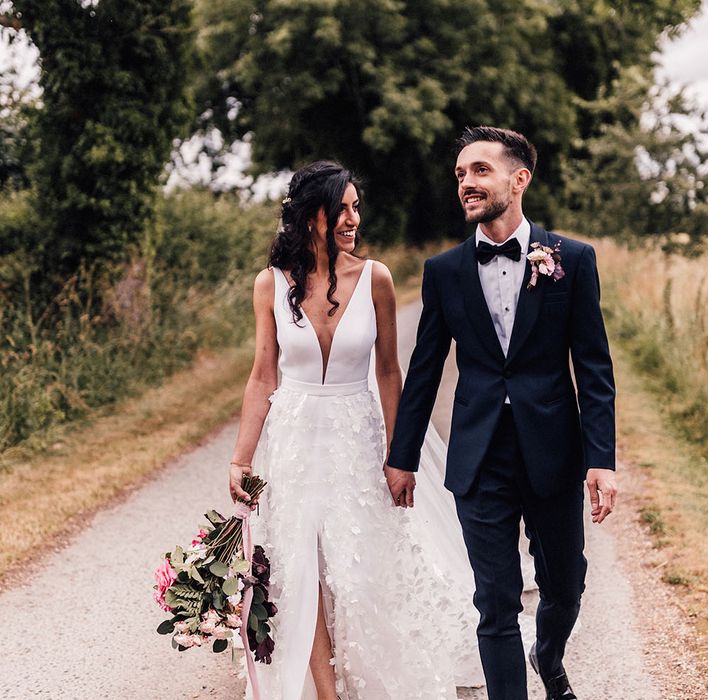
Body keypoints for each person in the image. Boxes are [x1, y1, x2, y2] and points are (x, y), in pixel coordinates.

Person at [227, 160, 484, 700]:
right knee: (303, 569)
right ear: (309, 215)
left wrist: (401, 454)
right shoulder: (269, 284)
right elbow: (262, 374)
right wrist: (241, 458)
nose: (353, 218)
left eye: (355, 206)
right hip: (294, 441)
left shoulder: (377, 279)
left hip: (356, 437)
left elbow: (390, 372)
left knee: (360, 569)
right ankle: (327, 692)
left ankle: (371, 671)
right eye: (341, 207)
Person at [386, 126, 618, 700]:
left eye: (480, 170)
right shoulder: (444, 272)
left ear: (520, 179)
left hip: (554, 452)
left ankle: (550, 655)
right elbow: (424, 370)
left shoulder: (572, 260)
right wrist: (402, 458)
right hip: (479, 455)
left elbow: (594, 367)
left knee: (565, 585)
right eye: (461, 173)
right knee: (494, 601)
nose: (466, 182)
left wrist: (601, 460)